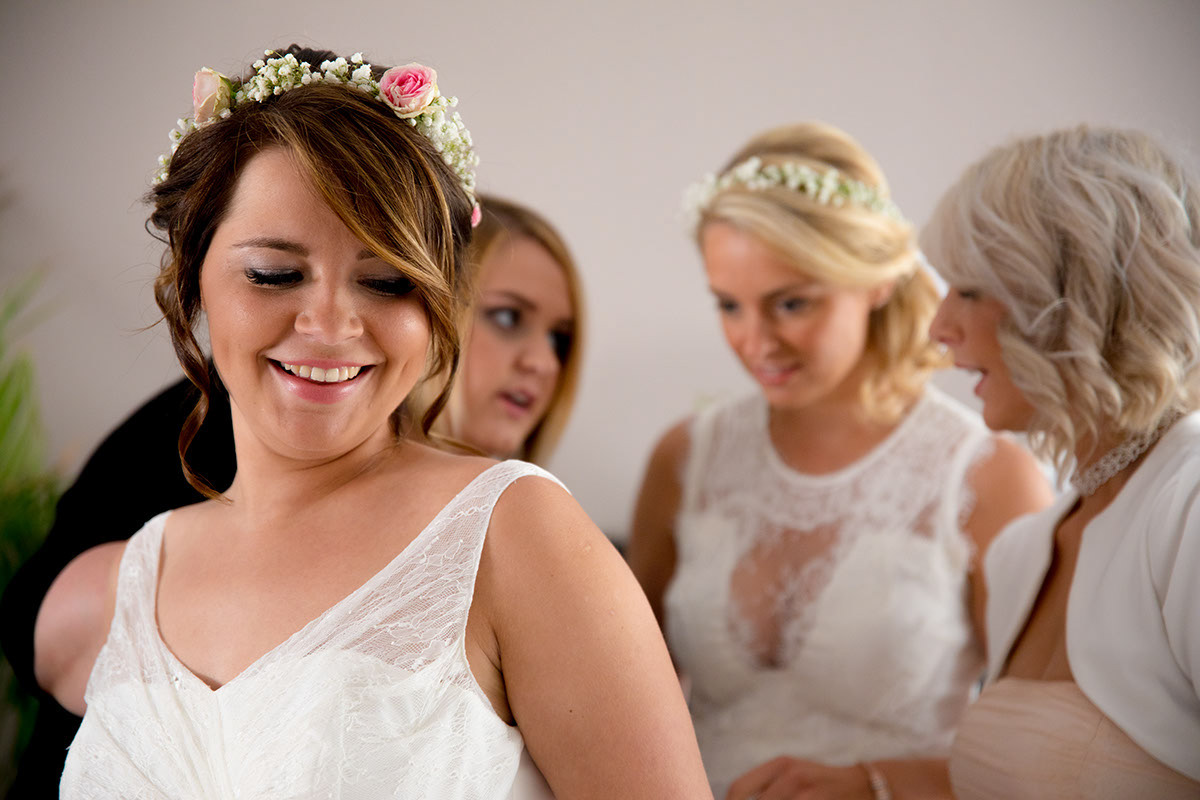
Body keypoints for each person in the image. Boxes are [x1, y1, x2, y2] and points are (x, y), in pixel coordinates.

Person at [28, 46, 710, 798]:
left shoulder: (515, 536)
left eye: (386, 282)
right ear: (193, 278)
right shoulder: (111, 594)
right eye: (275, 274)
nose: (329, 325)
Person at [1, 200, 585, 794]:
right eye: (507, 317)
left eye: (560, 339)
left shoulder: (521, 527)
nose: (542, 363)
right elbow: (38, 623)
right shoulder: (225, 422)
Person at [627, 121, 1053, 800]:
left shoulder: (987, 477)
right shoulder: (685, 459)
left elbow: (1047, 757)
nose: (755, 342)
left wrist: (876, 784)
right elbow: (618, 701)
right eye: (729, 306)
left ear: (877, 281)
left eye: (791, 303)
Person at [925, 125, 1200, 797]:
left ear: (1077, 294)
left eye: (969, 289)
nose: (938, 327)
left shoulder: (1188, 504)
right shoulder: (1021, 552)